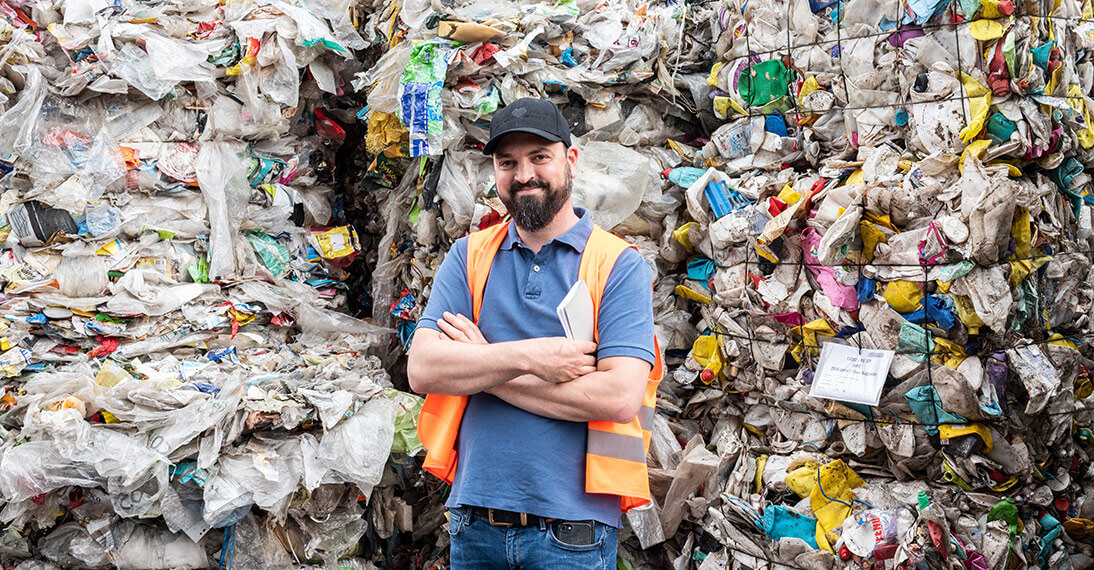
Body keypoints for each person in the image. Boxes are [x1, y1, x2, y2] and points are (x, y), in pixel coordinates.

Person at [407, 97, 661, 569]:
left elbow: (619, 397)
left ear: (571, 159)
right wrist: (531, 357)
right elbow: (422, 368)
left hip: (574, 535)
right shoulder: (469, 257)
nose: (524, 174)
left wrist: (483, 363)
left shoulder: (618, 265)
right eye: (508, 163)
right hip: (474, 523)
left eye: (539, 157)